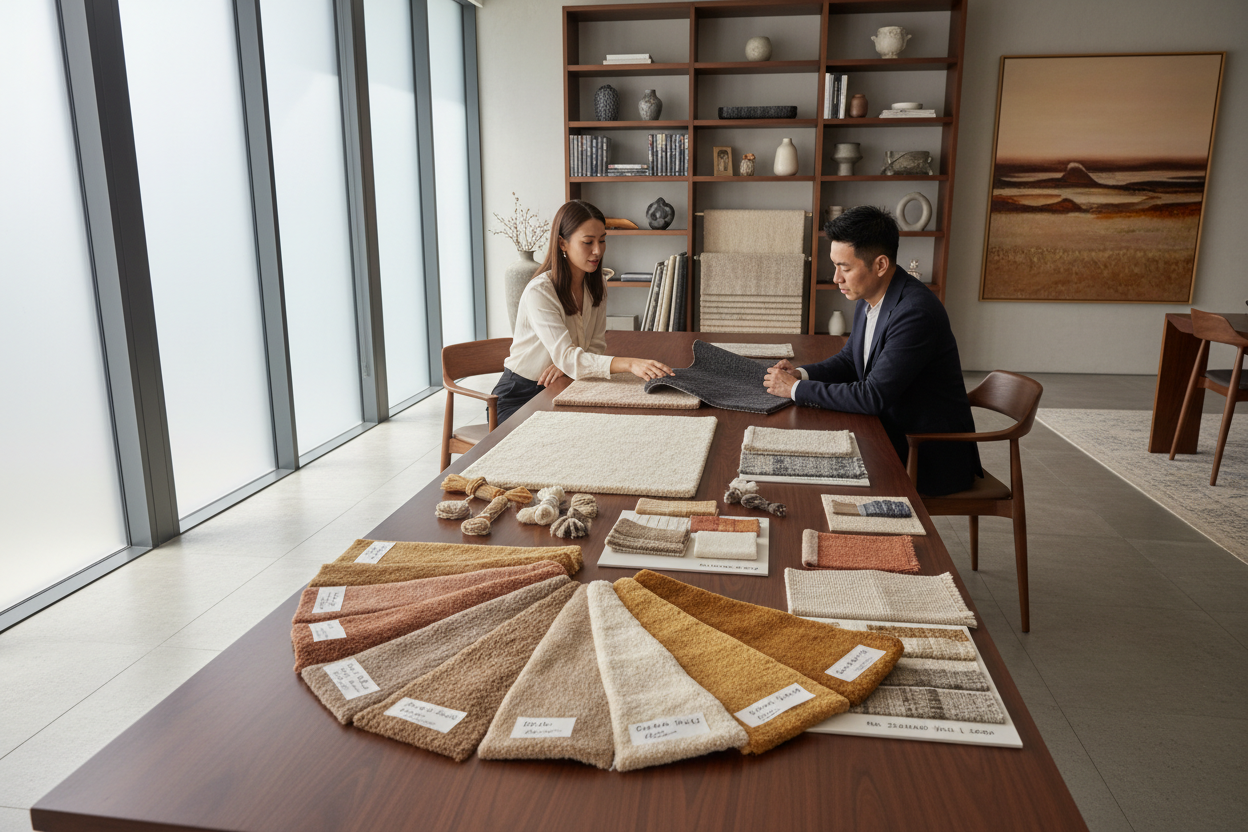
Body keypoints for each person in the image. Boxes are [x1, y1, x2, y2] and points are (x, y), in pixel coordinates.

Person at [763, 206, 980, 496]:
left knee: (806, 474)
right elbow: (850, 361)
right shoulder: (870, 296)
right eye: (835, 265)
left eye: (846, 268)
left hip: (923, 453)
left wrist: (795, 390)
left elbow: (872, 396)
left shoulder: (915, 313)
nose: (836, 278)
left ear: (880, 265)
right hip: (888, 432)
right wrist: (801, 373)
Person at [492, 199, 673, 424]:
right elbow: (570, 356)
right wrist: (629, 364)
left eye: (603, 240)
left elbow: (595, 346)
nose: (598, 251)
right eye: (588, 242)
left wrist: (566, 364)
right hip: (519, 395)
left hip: (564, 382)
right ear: (562, 243)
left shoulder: (597, 285)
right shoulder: (540, 291)